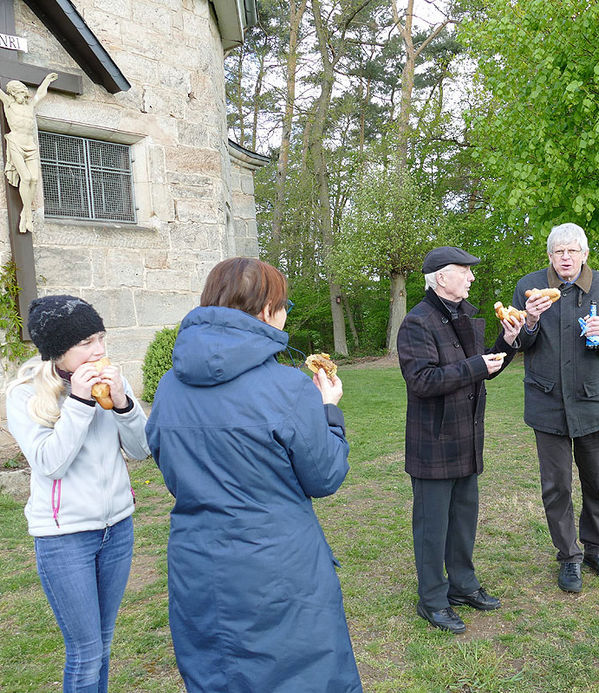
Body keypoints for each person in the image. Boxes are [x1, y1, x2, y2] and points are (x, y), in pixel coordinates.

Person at [145, 258, 362, 692]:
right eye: (284, 305)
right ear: (266, 311)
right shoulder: (287, 387)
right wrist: (329, 412)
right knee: (299, 678)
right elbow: (325, 476)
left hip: (199, 563)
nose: (285, 315)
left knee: (218, 677)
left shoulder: (169, 385)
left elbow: (171, 468)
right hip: (277, 569)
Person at [5, 295, 149, 692]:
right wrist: (82, 404)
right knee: (84, 654)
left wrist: (122, 403)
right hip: (64, 538)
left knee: (103, 645)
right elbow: (50, 463)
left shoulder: (110, 381)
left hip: (117, 528)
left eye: (101, 337)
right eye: (86, 342)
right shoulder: (24, 395)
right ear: (57, 350)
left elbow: (140, 450)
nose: (99, 350)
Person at [398, 246, 523, 634]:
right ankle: (432, 600)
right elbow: (421, 380)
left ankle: (462, 585)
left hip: (466, 437)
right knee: (432, 527)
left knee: (463, 520)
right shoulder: (416, 323)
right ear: (440, 278)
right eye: (464, 271)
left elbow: (483, 369)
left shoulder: (465, 315)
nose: (471, 277)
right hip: (434, 441)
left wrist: (506, 342)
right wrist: (474, 366)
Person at [510, 222, 599, 593]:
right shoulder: (528, 287)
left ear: (585, 254)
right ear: (549, 256)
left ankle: (595, 547)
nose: (565, 257)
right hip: (546, 403)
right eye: (558, 252)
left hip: (592, 402)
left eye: (572, 251)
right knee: (556, 486)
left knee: (598, 481)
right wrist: (529, 320)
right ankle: (568, 556)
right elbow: (517, 341)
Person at [0, 72, 57, 233]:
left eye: (21, 92)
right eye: (16, 92)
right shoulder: (9, 104)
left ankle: (25, 213)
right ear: (12, 93)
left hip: (30, 145)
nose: (19, 95)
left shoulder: (29, 106)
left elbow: (40, 94)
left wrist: (46, 80)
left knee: (34, 178)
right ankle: (26, 214)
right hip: (16, 143)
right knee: (25, 178)